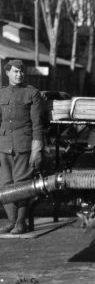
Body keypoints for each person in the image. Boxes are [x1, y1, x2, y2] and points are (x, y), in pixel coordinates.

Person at [0, 59, 45, 234]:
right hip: (3, 145)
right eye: (15, 71)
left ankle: (21, 222)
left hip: (23, 145)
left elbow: (37, 124)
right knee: (4, 184)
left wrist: (37, 148)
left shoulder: (32, 93)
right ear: (7, 73)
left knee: (22, 184)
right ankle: (11, 221)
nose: (19, 75)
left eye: (21, 72)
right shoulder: (1, 94)